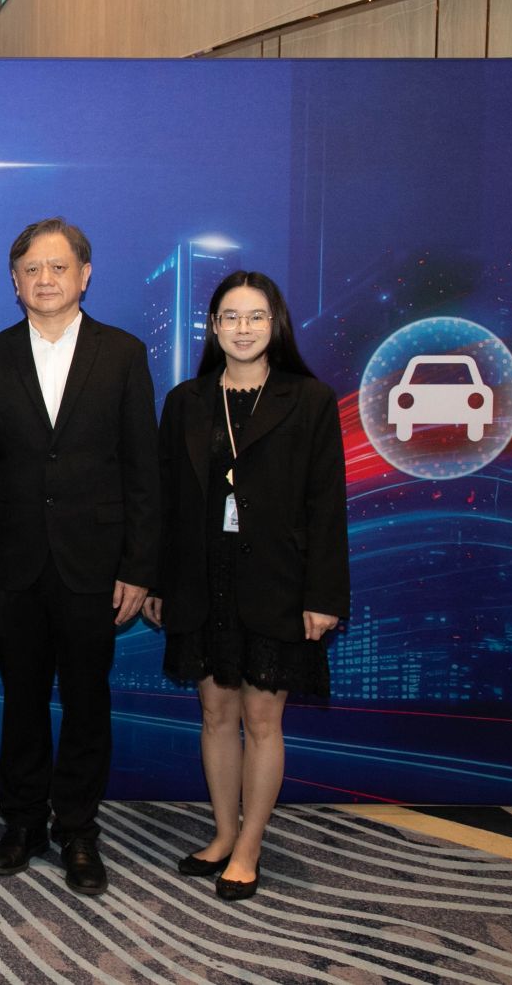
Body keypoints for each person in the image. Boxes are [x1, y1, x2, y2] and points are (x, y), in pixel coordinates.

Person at [0, 216, 158, 897]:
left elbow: (143, 469)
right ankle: (21, 823)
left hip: (94, 564)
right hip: (13, 563)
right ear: (15, 281)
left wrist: (138, 566)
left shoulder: (122, 352)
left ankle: (77, 828)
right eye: (31, 269)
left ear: (85, 274)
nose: (44, 279)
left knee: (86, 700)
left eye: (57, 266)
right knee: (20, 700)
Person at [142, 271, 347, 901]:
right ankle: (223, 834)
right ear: (213, 327)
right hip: (203, 580)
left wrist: (323, 597)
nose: (243, 328)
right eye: (230, 316)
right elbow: (166, 503)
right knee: (214, 714)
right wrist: (157, 582)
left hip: (277, 582)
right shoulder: (186, 401)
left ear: (275, 323)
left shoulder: (309, 399)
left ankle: (251, 845)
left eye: (256, 316)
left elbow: (326, 505)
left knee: (262, 720)